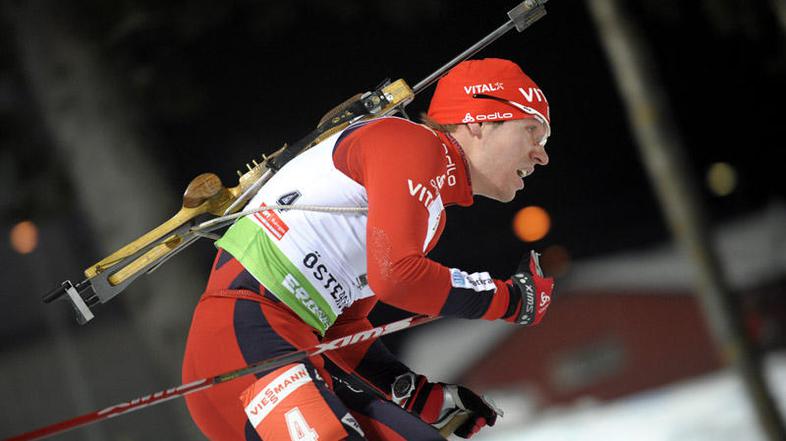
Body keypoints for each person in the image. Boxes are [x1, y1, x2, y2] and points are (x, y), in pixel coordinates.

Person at [181, 57, 555, 441]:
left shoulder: (432, 212)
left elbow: (345, 328)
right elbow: (398, 277)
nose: (541, 154)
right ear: (478, 120)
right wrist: (509, 299)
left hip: (292, 348)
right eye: (532, 132)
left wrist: (417, 394)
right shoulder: (412, 144)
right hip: (244, 338)